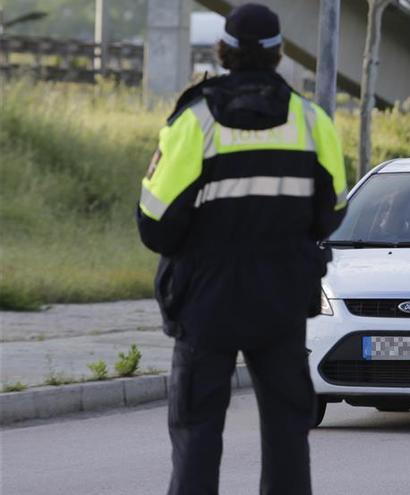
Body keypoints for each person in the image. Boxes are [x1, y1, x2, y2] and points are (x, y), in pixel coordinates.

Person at [136, 4, 347, 493]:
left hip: (205, 301)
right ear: (278, 57)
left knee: (197, 429)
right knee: (287, 428)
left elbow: (155, 225)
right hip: (282, 300)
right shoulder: (312, 122)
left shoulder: (195, 122)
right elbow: (332, 212)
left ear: (223, 50)